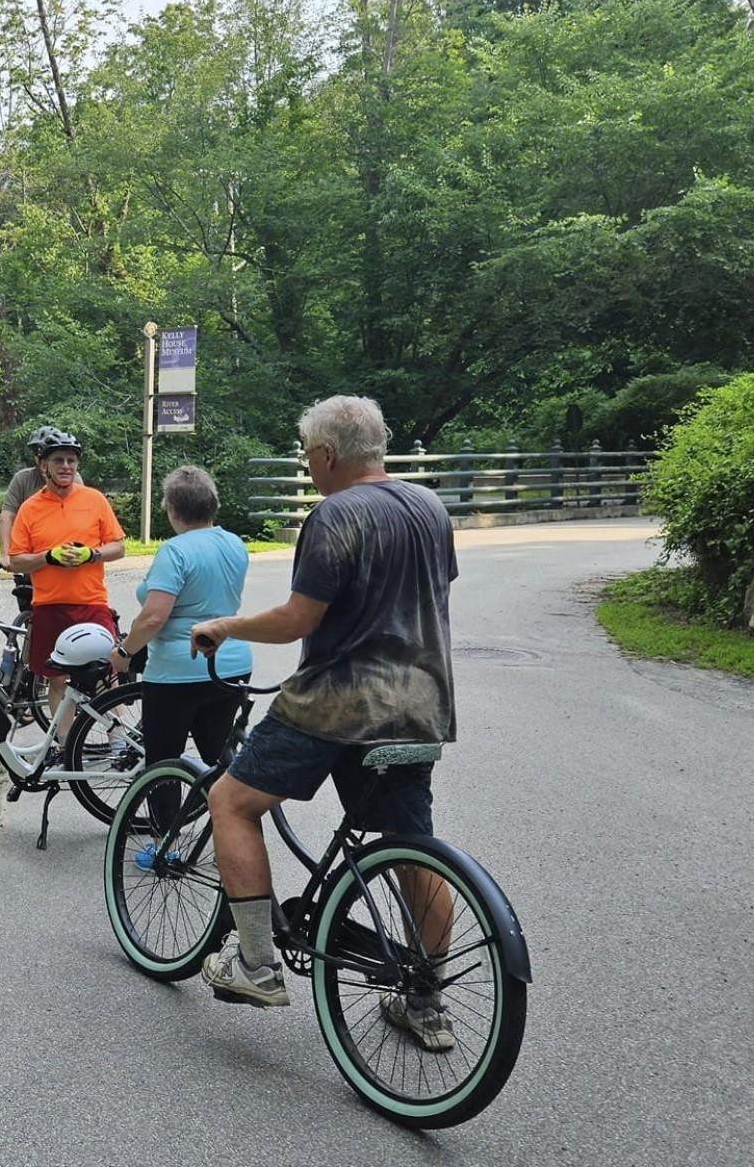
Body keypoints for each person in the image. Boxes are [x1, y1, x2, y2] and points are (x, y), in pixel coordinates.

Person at [187, 396, 458, 1052]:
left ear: (326, 455)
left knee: (229, 800)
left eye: (308, 457)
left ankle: (253, 963)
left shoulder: (335, 514)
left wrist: (224, 625)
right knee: (410, 847)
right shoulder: (430, 508)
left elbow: (296, 621)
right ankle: (425, 998)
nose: (308, 469)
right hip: (420, 704)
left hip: (339, 701)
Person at [109, 466, 253, 768]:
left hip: (177, 671)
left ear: (172, 510)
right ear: (213, 504)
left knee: (163, 766)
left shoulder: (174, 552)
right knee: (220, 764)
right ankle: (227, 815)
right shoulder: (235, 544)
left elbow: (153, 617)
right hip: (233, 664)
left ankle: (166, 817)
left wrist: (124, 652)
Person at [4, 430, 125, 739]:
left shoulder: (94, 500)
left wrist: (91, 554)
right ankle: (65, 745)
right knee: (57, 680)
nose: (66, 466)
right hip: (49, 604)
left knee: (106, 673)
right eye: (58, 460)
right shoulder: (30, 508)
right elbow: (16, 560)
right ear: (43, 465)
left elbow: (119, 547)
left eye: (71, 460)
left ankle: (118, 741)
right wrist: (48, 557)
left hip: (91, 601)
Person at [0, 425, 69, 614]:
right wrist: (5, 553)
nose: (41, 460)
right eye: (38, 454)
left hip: (60, 557)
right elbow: (6, 517)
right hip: (29, 556)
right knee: (29, 614)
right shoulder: (23, 479)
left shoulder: (71, 478)